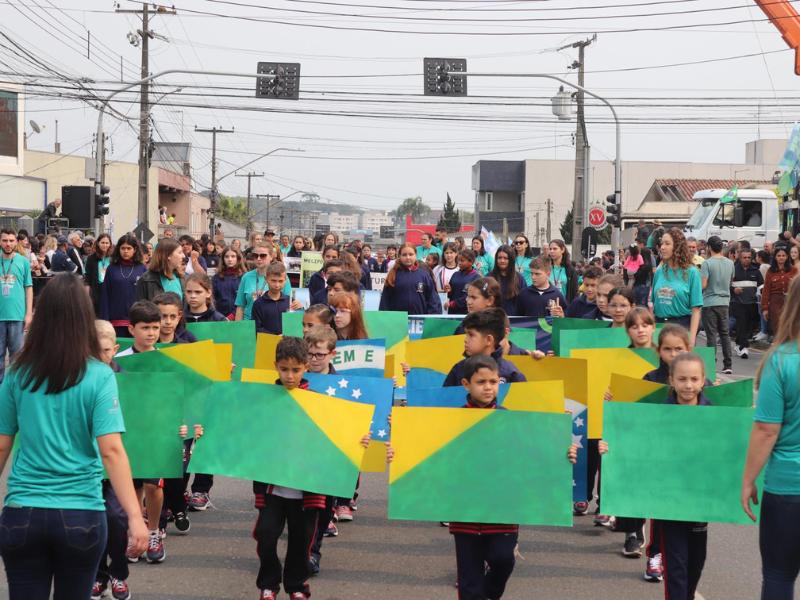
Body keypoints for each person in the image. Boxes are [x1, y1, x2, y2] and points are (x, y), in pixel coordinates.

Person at [0, 273, 148, 598]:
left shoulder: (17, 373)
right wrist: (135, 517)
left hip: (23, 511)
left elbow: (2, 445)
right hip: (81, 511)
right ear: (85, 317)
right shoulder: (99, 375)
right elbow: (111, 451)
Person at [447, 354, 577, 600]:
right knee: (468, 578)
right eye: (481, 382)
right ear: (466, 384)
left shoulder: (512, 419)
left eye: (493, 382)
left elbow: (534, 452)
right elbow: (433, 457)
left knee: (502, 560)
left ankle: (490, 594)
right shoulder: (452, 421)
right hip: (465, 511)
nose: (488, 387)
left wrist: (564, 451)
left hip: (503, 509)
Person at [252, 336, 370, 600]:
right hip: (272, 487)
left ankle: (296, 587)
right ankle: (268, 584)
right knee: (266, 535)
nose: (290, 375)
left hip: (309, 490)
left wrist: (358, 439)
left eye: (296, 369)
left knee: (301, 540)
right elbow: (244, 431)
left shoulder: (320, 403)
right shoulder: (262, 401)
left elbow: (338, 436)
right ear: (275, 366)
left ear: (305, 367)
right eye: (284, 369)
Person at [601, 352, 711, 599]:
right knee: (676, 565)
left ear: (703, 380)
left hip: (699, 502)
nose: (688, 385)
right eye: (682, 379)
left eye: (694, 379)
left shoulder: (713, 413)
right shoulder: (658, 412)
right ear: (671, 380)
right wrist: (611, 447)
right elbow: (636, 442)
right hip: (667, 502)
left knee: (696, 562)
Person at [743, 276, 800, 600]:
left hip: (789, 485)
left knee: (778, 575)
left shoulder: (781, 360)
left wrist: (749, 479)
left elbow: (766, 430)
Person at [443, 308, 526, 386]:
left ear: (489, 340)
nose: (465, 340)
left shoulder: (511, 373)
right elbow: (445, 399)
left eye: (471, 335)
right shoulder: (458, 369)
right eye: (466, 334)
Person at [650, 228, 703, 346]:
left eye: (667, 244)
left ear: (678, 247)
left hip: (681, 327)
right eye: (662, 243)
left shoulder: (692, 273)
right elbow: (653, 304)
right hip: (659, 327)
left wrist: (692, 339)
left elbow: (696, 310)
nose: (662, 247)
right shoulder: (659, 272)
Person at [100, 234, 148, 339]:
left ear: (135, 249)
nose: (125, 251)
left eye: (129, 248)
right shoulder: (111, 269)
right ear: (118, 249)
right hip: (115, 320)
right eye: (123, 248)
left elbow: (146, 296)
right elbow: (105, 295)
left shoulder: (142, 269)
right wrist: (105, 320)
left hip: (136, 319)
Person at [0, 229, 32, 385]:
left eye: (11, 240)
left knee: (17, 357)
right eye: (5, 240)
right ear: (0, 242)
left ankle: (13, 388)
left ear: (16, 242)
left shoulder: (23, 261)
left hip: (17, 316)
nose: (8, 244)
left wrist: (29, 314)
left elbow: (29, 287)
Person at [700, 235, 734, 374]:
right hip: (724, 302)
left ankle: (711, 365)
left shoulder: (707, 263)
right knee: (725, 334)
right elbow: (731, 281)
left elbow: (704, 284)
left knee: (711, 335)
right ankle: (728, 365)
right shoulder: (730, 263)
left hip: (709, 302)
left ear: (709, 247)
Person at [379, 243, 442, 314]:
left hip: (419, 321)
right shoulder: (393, 275)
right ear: (399, 256)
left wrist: (431, 319)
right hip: (398, 321)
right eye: (404, 255)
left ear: (415, 255)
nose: (408, 257)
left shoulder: (424, 275)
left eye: (411, 254)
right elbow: (385, 301)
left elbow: (433, 300)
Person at [235, 242, 291, 321]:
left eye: (263, 255)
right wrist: (239, 328)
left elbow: (289, 305)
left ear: (271, 257)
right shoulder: (246, 277)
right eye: (255, 255)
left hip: (271, 325)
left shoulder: (282, 277)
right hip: (249, 324)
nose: (258, 258)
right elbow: (240, 306)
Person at [730, 247, 763, 360]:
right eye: (744, 257)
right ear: (739, 257)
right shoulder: (733, 269)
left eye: (749, 257)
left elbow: (761, 286)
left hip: (752, 303)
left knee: (749, 326)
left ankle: (739, 344)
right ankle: (743, 347)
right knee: (741, 323)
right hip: (737, 303)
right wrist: (733, 290)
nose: (747, 259)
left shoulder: (756, 270)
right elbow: (726, 284)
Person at [252, 263, 301, 335]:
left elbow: (298, 324)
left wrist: (301, 308)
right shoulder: (258, 304)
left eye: (280, 281)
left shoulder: (291, 302)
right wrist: (275, 337)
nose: (277, 285)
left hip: (287, 344)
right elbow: (256, 328)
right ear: (266, 279)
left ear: (285, 280)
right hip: (266, 344)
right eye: (273, 281)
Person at [762, 245, 797, 338]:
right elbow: (766, 290)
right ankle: (778, 346)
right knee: (777, 325)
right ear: (775, 257)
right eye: (779, 255)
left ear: (787, 257)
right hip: (775, 302)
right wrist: (765, 308)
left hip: (790, 301)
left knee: (790, 325)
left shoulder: (794, 270)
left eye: (783, 255)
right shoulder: (770, 271)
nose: (781, 258)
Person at [490, 245, 525, 317]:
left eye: (505, 258)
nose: (502, 261)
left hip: (514, 321)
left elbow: (524, 301)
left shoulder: (519, 278)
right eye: (499, 258)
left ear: (511, 260)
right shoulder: (489, 277)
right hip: (493, 320)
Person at [213, 246, 245, 320]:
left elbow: (244, 301)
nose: (230, 259)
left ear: (238, 258)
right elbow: (213, 300)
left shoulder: (244, 277)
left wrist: (232, 316)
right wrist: (219, 317)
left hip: (239, 317)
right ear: (223, 259)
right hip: (220, 318)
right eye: (227, 257)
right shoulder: (217, 278)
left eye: (233, 256)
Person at [445, 249, 480, 315]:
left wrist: (454, 303)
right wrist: (448, 290)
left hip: (467, 312)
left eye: (462, 261)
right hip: (453, 312)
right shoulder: (455, 274)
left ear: (471, 262)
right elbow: (450, 294)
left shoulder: (476, 277)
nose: (459, 263)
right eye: (458, 260)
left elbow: (469, 296)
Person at [84, 233, 112, 313]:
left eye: (107, 243)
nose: (105, 245)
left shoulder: (113, 258)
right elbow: (88, 277)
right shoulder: (91, 258)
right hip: (96, 290)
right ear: (98, 243)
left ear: (110, 244)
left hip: (110, 289)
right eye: (102, 243)